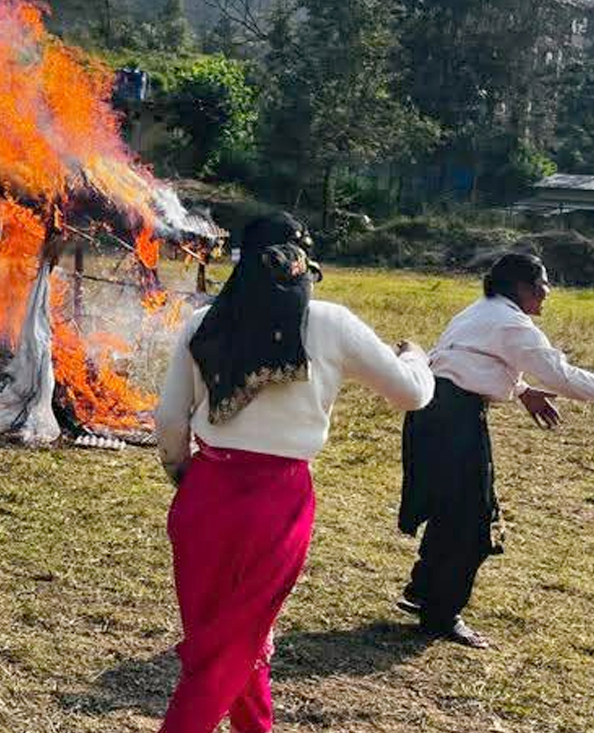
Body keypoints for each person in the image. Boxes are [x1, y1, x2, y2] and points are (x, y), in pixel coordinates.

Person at [155, 214, 434, 733]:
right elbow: (412, 394)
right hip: (277, 503)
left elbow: (170, 422)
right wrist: (417, 358)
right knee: (230, 646)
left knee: (226, 639)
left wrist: (188, 480)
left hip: (206, 496)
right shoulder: (330, 322)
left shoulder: (204, 321)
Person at [397, 252, 594, 648]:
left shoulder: (479, 312)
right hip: (455, 420)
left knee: (453, 510)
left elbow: (466, 361)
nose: (547, 292)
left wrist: (523, 391)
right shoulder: (513, 323)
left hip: (432, 413)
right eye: (542, 284)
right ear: (521, 287)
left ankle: (423, 591)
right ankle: (440, 613)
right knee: (473, 519)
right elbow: (562, 376)